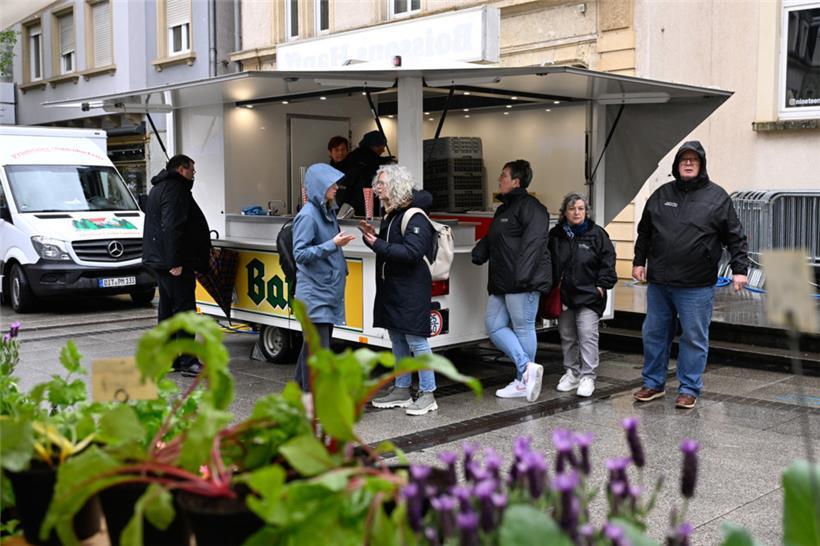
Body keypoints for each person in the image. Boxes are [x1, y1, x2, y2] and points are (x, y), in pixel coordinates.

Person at [632, 141, 748, 409]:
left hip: (696, 285)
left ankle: (689, 388)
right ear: (676, 165)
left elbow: (735, 237)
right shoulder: (661, 195)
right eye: (683, 159)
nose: (687, 163)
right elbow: (645, 232)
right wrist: (639, 261)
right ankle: (652, 383)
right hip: (660, 282)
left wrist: (740, 270)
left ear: (701, 165)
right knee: (654, 334)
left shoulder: (717, 198)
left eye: (693, 160)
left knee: (694, 337)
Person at [471, 160, 551, 402]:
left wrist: (523, 277)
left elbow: (533, 245)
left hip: (521, 282)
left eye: (503, 175)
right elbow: (495, 236)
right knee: (493, 326)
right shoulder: (503, 209)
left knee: (523, 327)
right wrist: (481, 250)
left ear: (516, 181)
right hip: (503, 280)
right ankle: (527, 368)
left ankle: (522, 380)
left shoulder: (533, 208)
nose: (499, 179)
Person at [361, 165, 438, 416]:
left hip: (411, 288)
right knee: (397, 338)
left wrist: (378, 243)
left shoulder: (414, 216)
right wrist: (372, 239)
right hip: (393, 287)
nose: (377, 188)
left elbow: (412, 253)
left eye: (381, 183)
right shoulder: (392, 214)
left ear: (395, 186)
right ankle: (402, 388)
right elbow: (389, 248)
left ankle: (428, 393)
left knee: (416, 338)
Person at [142, 154, 211, 377]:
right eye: (192, 170)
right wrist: (175, 262)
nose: (193, 175)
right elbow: (172, 226)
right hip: (173, 262)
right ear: (182, 170)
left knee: (168, 311)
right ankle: (188, 361)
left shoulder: (159, 187)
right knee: (184, 310)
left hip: (160, 261)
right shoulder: (176, 189)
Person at [292, 163, 356, 392]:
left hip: (324, 291)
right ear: (320, 186)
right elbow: (299, 254)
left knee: (312, 348)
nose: (337, 187)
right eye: (332, 184)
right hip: (315, 294)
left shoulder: (326, 211)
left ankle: (299, 393)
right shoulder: (308, 216)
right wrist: (333, 244)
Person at [549, 193, 617, 397]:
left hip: (589, 295)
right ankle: (572, 372)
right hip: (565, 295)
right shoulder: (556, 235)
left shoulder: (597, 234)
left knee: (587, 335)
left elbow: (608, 260)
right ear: (564, 213)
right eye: (572, 209)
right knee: (567, 336)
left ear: (586, 212)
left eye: (580, 208)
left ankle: (588, 376)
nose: (577, 212)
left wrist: (601, 286)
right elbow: (548, 261)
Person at [336, 130, 392, 217]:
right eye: (382, 146)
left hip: (348, 207)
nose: (384, 150)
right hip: (363, 206)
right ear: (375, 145)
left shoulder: (352, 157)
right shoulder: (370, 162)